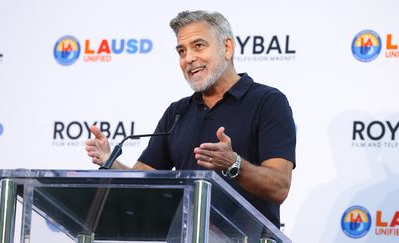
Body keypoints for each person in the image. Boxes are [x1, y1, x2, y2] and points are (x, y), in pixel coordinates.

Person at [85, 10, 296, 228]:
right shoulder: (177, 112)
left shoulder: (268, 102)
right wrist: (110, 161)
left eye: (199, 46)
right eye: (181, 51)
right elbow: (143, 180)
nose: (188, 58)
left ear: (227, 48)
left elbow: (279, 187)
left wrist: (234, 164)